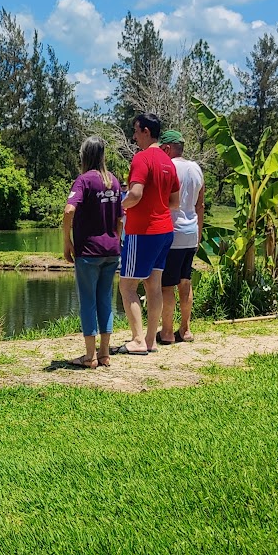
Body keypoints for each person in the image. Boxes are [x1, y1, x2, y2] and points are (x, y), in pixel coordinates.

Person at [117, 112, 180, 354]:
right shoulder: (168, 162)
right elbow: (174, 202)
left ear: (146, 131)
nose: (134, 137)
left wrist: (117, 206)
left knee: (127, 287)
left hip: (142, 232)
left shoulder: (141, 159)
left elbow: (135, 194)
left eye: (135, 131)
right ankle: (150, 340)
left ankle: (137, 340)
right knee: (154, 286)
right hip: (165, 231)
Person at [62, 136, 123, 367]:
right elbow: (120, 218)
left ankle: (90, 356)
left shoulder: (83, 180)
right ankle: (104, 354)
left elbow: (69, 211)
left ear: (84, 156)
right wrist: (116, 239)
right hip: (112, 250)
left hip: (89, 252)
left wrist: (67, 242)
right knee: (105, 300)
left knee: (88, 301)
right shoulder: (113, 181)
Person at [157, 128, 205, 344]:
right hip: (191, 232)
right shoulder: (196, 168)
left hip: (172, 232)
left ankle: (167, 332)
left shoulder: (168, 168)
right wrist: (198, 235)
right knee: (185, 282)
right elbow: (200, 205)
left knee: (167, 285)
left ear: (167, 148)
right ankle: (185, 329)